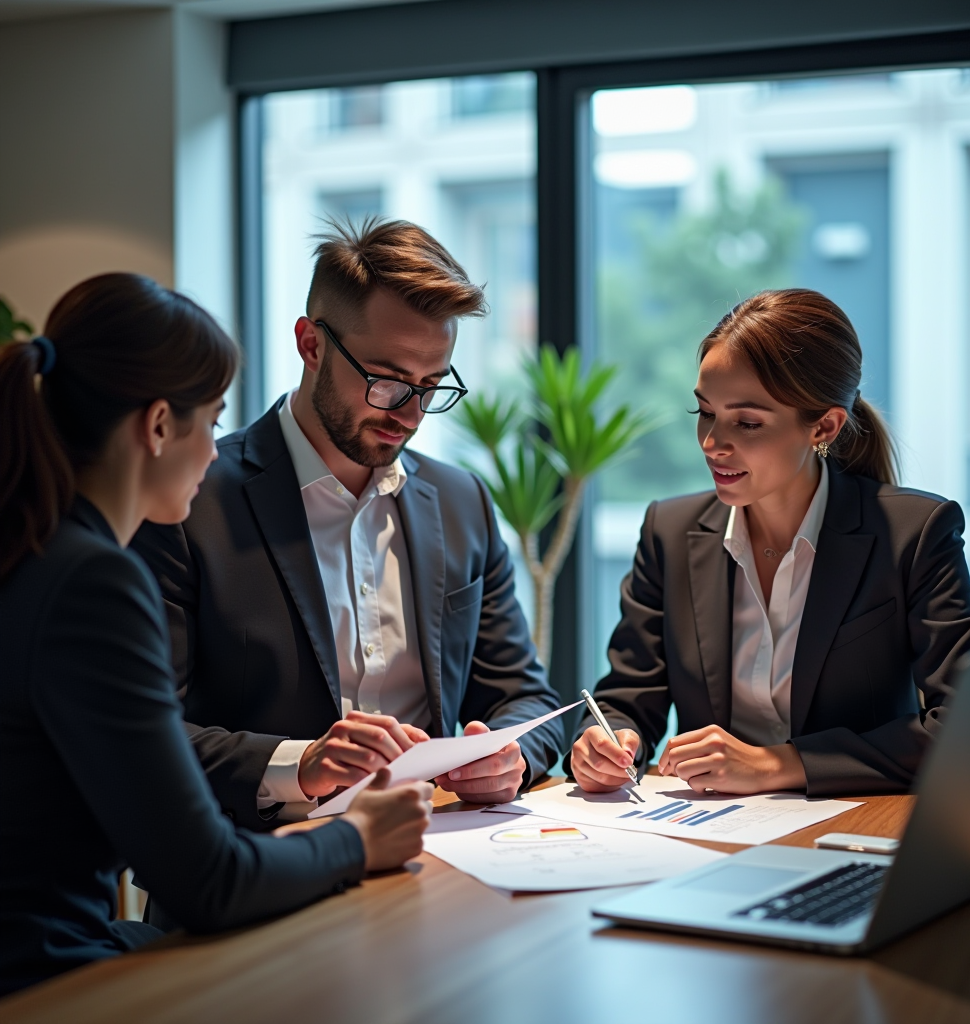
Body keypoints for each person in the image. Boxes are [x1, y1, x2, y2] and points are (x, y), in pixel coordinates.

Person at [0, 274, 433, 996]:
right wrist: (359, 839)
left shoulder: (33, 550)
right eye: (211, 420)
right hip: (45, 980)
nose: (214, 452)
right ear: (159, 425)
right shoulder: (93, 584)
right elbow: (209, 880)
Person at [132, 218, 563, 830]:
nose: (409, 415)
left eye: (431, 386)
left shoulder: (461, 500)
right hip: (255, 868)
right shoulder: (189, 502)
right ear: (311, 345)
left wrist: (508, 756)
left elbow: (526, 695)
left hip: (439, 855)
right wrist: (299, 765)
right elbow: (146, 735)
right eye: (386, 382)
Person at [569, 288, 970, 798]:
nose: (711, 443)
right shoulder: (670, 531)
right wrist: (607, 739)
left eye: (746, 422)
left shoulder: (914, 533)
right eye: (704, 412)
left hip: (855, 828)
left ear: (824, 426)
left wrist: (779, 765)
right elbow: (629, 696)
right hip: (708, 835)